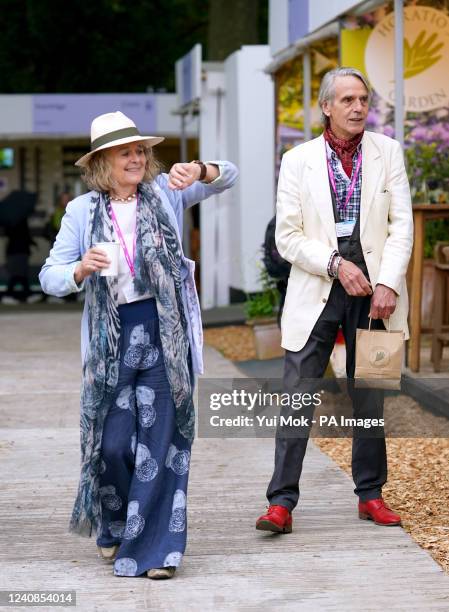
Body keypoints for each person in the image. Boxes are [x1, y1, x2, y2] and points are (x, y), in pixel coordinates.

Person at [40, 111, 238, 579]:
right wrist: (79, 270)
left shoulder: (167, 191)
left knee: (160, 444)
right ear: (102, 162)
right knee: (111, 448)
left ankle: (156, 551)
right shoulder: (81, 211)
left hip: (165, 333)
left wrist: (202, 170)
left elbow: (229, 175)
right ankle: (114, 525)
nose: (136, 158)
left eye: (140, 150)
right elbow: (49, 276)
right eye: (125, 152)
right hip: (112, 340)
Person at [255, 67, 413, 534]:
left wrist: (388, 282)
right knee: (298, 395)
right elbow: (287, 237)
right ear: (326, 107)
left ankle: (371, 495)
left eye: (363, 98)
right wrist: (335, 264)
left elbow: (401, 225)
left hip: (376, 294)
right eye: (346, 99)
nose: (358, 107)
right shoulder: (297, 159)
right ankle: (280, 504)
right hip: (318, 287)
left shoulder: (389, 152)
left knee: (371, 396)